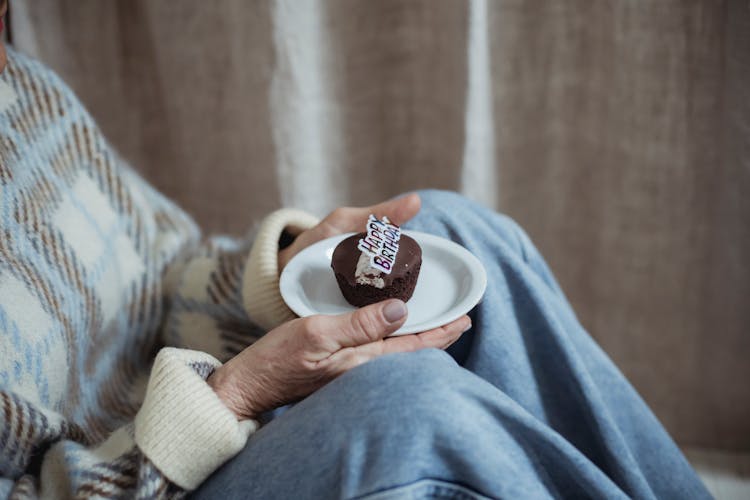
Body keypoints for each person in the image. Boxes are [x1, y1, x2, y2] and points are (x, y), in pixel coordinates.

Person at [0, 5, 709, 500]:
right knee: (407, 406)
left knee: (457, 226)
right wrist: (236, 395)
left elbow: (159, 269)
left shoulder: (25, 89)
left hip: (203, 405)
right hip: (154, 474)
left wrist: (279, 277)